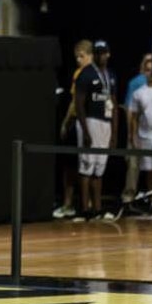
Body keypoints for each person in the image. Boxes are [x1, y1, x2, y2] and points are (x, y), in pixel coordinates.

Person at [74, 39, 118, 221]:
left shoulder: (111, 75)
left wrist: (114, 134)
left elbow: (114, 105)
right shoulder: (86, 73)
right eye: (98, 53)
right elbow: (79, 104)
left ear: (108, 54)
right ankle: (85, 209)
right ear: (95, 54)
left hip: (105, 123)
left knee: (100, 167)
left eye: (104, 52)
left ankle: (98, 208)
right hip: (90, 121)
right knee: (86, 166)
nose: (102, 56)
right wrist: (85, 131)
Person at [53, 40, 94, 219]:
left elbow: (75, 104)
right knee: (73, 165)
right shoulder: (81, 73)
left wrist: (65, 123)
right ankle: (72, 204)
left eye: (82, 56)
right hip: (82, 124)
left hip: (84, 125)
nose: (78, 60)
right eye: (76, 57)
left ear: (91, 55)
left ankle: (84, 205)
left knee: (84, 167)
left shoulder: (89, 74)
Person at [120, 53, 152, 203]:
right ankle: (128, 196)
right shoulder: (135, 83)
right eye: (147, 61)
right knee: (133, 165)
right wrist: (130, 134)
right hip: (137, 131)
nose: (149, 65)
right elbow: (129, 111)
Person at [128, 61, 152, 215]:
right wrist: (133, 137)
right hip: (145, 137)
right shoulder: (138, 93)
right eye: (147, 70)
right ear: (144, 72)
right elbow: (133, 117)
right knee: (150, 172)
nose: (150, 73)